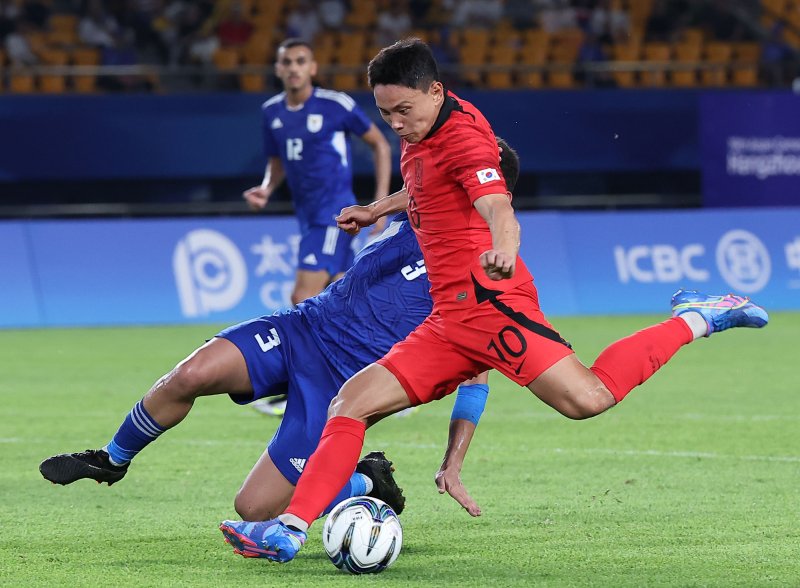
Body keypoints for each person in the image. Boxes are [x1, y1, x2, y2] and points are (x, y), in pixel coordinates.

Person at [218, 38, 769, 563]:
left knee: (589, 398)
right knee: (349, 403)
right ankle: (289, 530)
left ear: (435, 91)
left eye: (402, 110)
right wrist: (378, 210)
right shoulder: (420, 132)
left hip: (493, 305)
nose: (394, 124)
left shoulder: (466, 139)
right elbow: (426, 184)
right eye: (385, 114)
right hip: (448, 320)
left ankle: (699, 317)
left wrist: (503, 251)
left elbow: (498, 207)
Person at [38, 135, 522, 526]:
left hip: (343, 383)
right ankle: (111, 460)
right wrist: (375, 209)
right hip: (304, 326)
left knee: (253, 509)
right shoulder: (423, 207)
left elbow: (476, 376)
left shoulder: (490, 270)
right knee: (190, 374)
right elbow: (417, 186)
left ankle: (366, 480)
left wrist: (452, 462)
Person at [243, 37, 392, 416]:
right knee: (346, 300)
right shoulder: (271, 112)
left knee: (301, 298)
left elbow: (380, 145)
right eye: (286, 61)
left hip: (333, 213)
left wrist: (378, 206)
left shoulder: (334, 105)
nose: (293, 67)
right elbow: (277, 161)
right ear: (278, 69)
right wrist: (266, 188)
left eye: (300, 61)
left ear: (312, 68)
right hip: (307, 214)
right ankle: (381, 379)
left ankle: (297, 390)